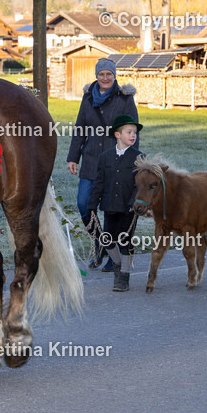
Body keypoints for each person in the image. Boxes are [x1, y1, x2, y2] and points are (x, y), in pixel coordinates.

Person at [66, 58, 138, 271]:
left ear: (114, 76)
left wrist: (130, 159)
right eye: (101, 74)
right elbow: (80, 128)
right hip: (90, 161)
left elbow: (132, 129)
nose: (105, 78)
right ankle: (100, 243)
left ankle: (111, 255)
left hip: (115, 161)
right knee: (83, 205)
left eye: (109, 74)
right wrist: (73, 157)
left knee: (112, 210)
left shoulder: (124, 98)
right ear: (96, 76)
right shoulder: (88, 97)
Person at [87, 115, 143, 292]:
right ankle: (117, 264)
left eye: (134, 132)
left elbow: (139, 185)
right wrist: (92, 205)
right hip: (110, 205)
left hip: (128, 208)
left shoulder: (139, 157)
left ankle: (124, 276)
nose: (133, 135)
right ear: (117, 135)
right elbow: (99, 182)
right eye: (129, 132)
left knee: (125, 240)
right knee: (108, 239)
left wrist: (133, 202)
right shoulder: (105, 157)